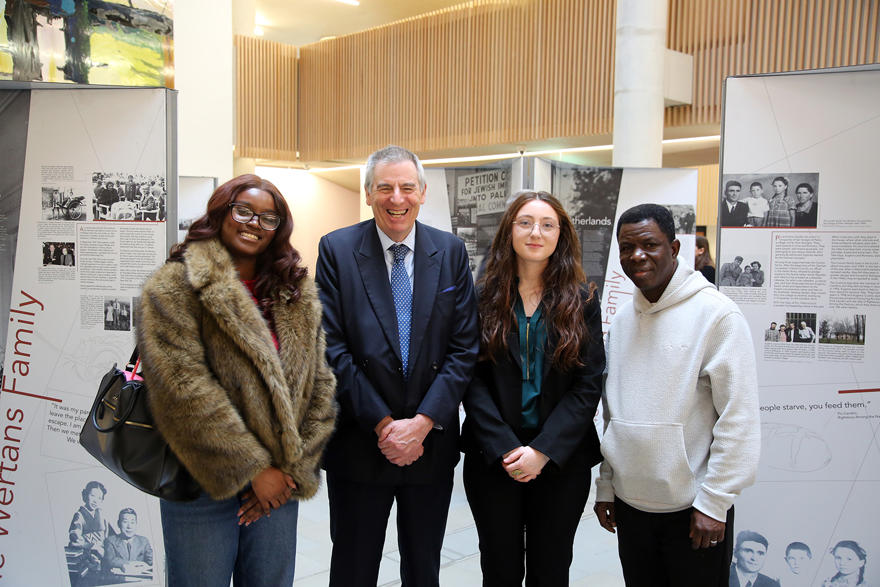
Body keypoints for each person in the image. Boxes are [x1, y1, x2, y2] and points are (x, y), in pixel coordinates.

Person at [136, 174, 338, 586]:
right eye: (243, 211)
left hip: (280, 485)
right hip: (201, 482)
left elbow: (320, 384)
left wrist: (290, 471)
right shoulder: (175, 286)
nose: (253, 224)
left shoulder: (294, 291)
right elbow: (184, 392)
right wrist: (254, 470)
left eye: (268, 218)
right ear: (220, 213)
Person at [315, 145, 479, 587]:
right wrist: (387, 425)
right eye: (384, 187)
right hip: (360, 443)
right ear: (368, 193)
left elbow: (464, 349)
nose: (396, 198)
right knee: (352, 568)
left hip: (430, 448)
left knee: (423, 570)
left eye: (407, 187)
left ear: (423, 193)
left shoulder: (450, 251)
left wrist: (421, 425)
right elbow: (332, 348)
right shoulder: (337, 250)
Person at [594, 204, 760, 587]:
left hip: (693, 512)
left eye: (649, 244)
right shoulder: (620, 322)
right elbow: (612, 415)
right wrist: (607, 485)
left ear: (674, 247)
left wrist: (715, 503)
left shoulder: (718, 316)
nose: (636, 256)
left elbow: (739, 419)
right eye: (626, 247)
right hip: (631, 506)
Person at [461, 191, 605, 586]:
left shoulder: (583, 300)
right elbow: (469, 379)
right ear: (509, 230)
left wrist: (542, 451)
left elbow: (588, 383)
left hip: (560, 460)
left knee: (551, 568)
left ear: (561, 235)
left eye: (547, 224)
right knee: (498, 566)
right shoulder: (481, 297)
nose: (535, 232)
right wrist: (506, 448)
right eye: (525, 222)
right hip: (493, 457)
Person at [68, 481, 110, 578]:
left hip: (102, 556)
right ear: (85, 495)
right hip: (85, 557)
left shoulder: (102, 515)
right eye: (93, 496)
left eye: (99, 498)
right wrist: (93, 546)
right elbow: (75, 540)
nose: (95, 501)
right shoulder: (79, 515)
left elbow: (108, 537)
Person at [102, 508, 153, 578]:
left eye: (132, 522)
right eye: (125, 522)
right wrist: (133, 563)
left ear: (136, 524)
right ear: (118, 524)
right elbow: (110, 560)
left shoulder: (144, 541)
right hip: (118, 581)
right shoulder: (110, 540)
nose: (129, 526)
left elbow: (152, 561)